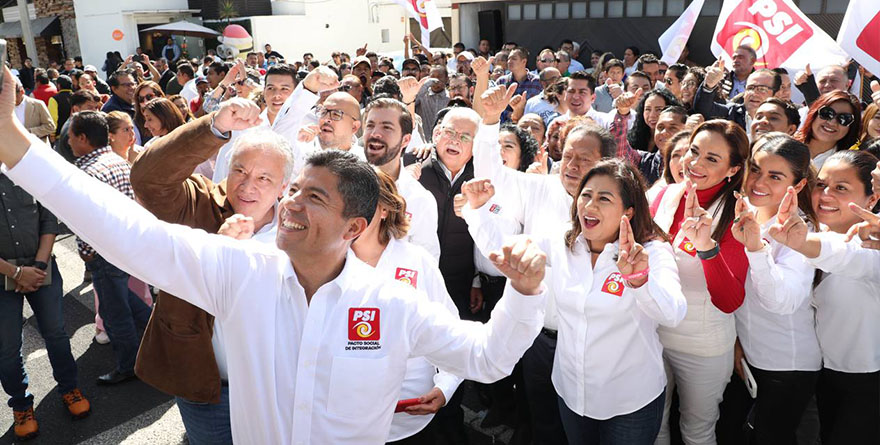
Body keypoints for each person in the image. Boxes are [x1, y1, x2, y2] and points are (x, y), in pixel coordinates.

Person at [0, 64, 548, 444]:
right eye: (293, 190)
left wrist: (524, 294)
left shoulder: (393, 301)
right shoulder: (241, 269)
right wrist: (15, 146)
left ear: (354, 226)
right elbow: (126, 231)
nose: (287, 203)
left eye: (313, 196)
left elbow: (487, 357)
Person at [462, 158, 687, 444]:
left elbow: (673, 314)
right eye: (586, 195)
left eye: (604, 198)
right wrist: (479, 210)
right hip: (572, 394)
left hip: (629, 402)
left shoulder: (651, 252)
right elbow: (505, 249)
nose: (590, 206)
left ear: (628, 212)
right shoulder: (565, 241)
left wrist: (640, 279)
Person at [343, 171, 462, 444]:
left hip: (412, 416)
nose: (353, 212)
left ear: (385, 209)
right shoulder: (328, 264)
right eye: (346, 201)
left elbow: (451, 329)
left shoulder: (416, 261)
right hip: (347, 419)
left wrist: (445, 387)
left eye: (364, 201)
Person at [650, 120, 750, 445]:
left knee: (697, 432)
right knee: (654, 426)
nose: (694, 163)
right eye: (693, 151)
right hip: (651, 335)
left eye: (711, 158)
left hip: (702, 346)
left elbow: (729, 299)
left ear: (733, 169)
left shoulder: (737, 214)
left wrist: (707, 247)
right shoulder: (663, 193)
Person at [771, 150, 880, 444]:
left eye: (841, 188)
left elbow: (845, 256)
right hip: (818, 375)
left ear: (872, 199)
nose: (826, 195)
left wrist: (801, 243)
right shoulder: (804, 229)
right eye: (821, 184)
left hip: (865, 381)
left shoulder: (872, 249)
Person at [728, 134, 821, 444]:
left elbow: (782, 301)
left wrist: (756, 249)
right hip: (751, 358)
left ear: (798, 186)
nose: (758, 181)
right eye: (755, 169)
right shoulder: (746, 214)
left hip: (787, 367)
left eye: (775, 176)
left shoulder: (801, 232)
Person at [0, 158, 91, 441]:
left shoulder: (26, 168)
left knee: (57, 334)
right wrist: (15, 272)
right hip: (3, 277)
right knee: (7, 347)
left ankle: (69, 387)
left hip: (41, 268)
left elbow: (48, 219)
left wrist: (38, 267)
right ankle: (21, 404)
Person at [65, 111, 153, 385]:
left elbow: (88, 220)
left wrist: (87, 250)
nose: (67, 142)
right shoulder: (117, 160)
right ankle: (160, 340)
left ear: (82, 138)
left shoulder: (87, 171)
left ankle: (129, 366)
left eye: (70, 137)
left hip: (104, 252)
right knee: (128, 301)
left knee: (116, 314)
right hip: (125, 247)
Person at [363, 98, 441, 260]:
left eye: (387, 127)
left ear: (405, 140)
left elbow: (425, 264)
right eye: (370, 125)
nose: (375, 133)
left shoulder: (419, 199)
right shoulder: (341, 182)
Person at [695, 65, 780, 131]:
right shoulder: (731, 112)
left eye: (762, 89)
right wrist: (709, 86)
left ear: (775, 94)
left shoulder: (783, 122)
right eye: (750, 88)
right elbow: (704, 109)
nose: (754, 93)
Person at [795, 91, 861, 169]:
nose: (832, 122)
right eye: (827, 113)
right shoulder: (786, 146)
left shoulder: (849, 165)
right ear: (814, 113)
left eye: (844, 118)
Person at [496, 47, 543, 122]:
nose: (509, 61)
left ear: (524, 61)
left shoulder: (537, 82)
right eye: (508, 59)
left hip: (529, 125)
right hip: (506, 126)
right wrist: (510, 114)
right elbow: (495, 106)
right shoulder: (501, 82)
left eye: (514, 59)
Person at [54, 90, 102, 163]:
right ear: (76, 109)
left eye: (96, 108)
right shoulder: (72, 131)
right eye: (89, 107)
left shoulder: (80, 126)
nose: (95, 111)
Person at [13, 78, 55, 143]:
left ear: (22, 92)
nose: (11, 99)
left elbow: (50, 126)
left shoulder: (38, 105)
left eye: (13, 96)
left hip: (36, 147)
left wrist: (29, 132)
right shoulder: (5, 108)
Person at [414, 66, 450, 139]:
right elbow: (411, 103)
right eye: (432, 77)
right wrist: (425, 86)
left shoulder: (449, 97)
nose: (436, 80)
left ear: (446, 79)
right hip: (423, 139)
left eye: (440, 77)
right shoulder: (422, 95)